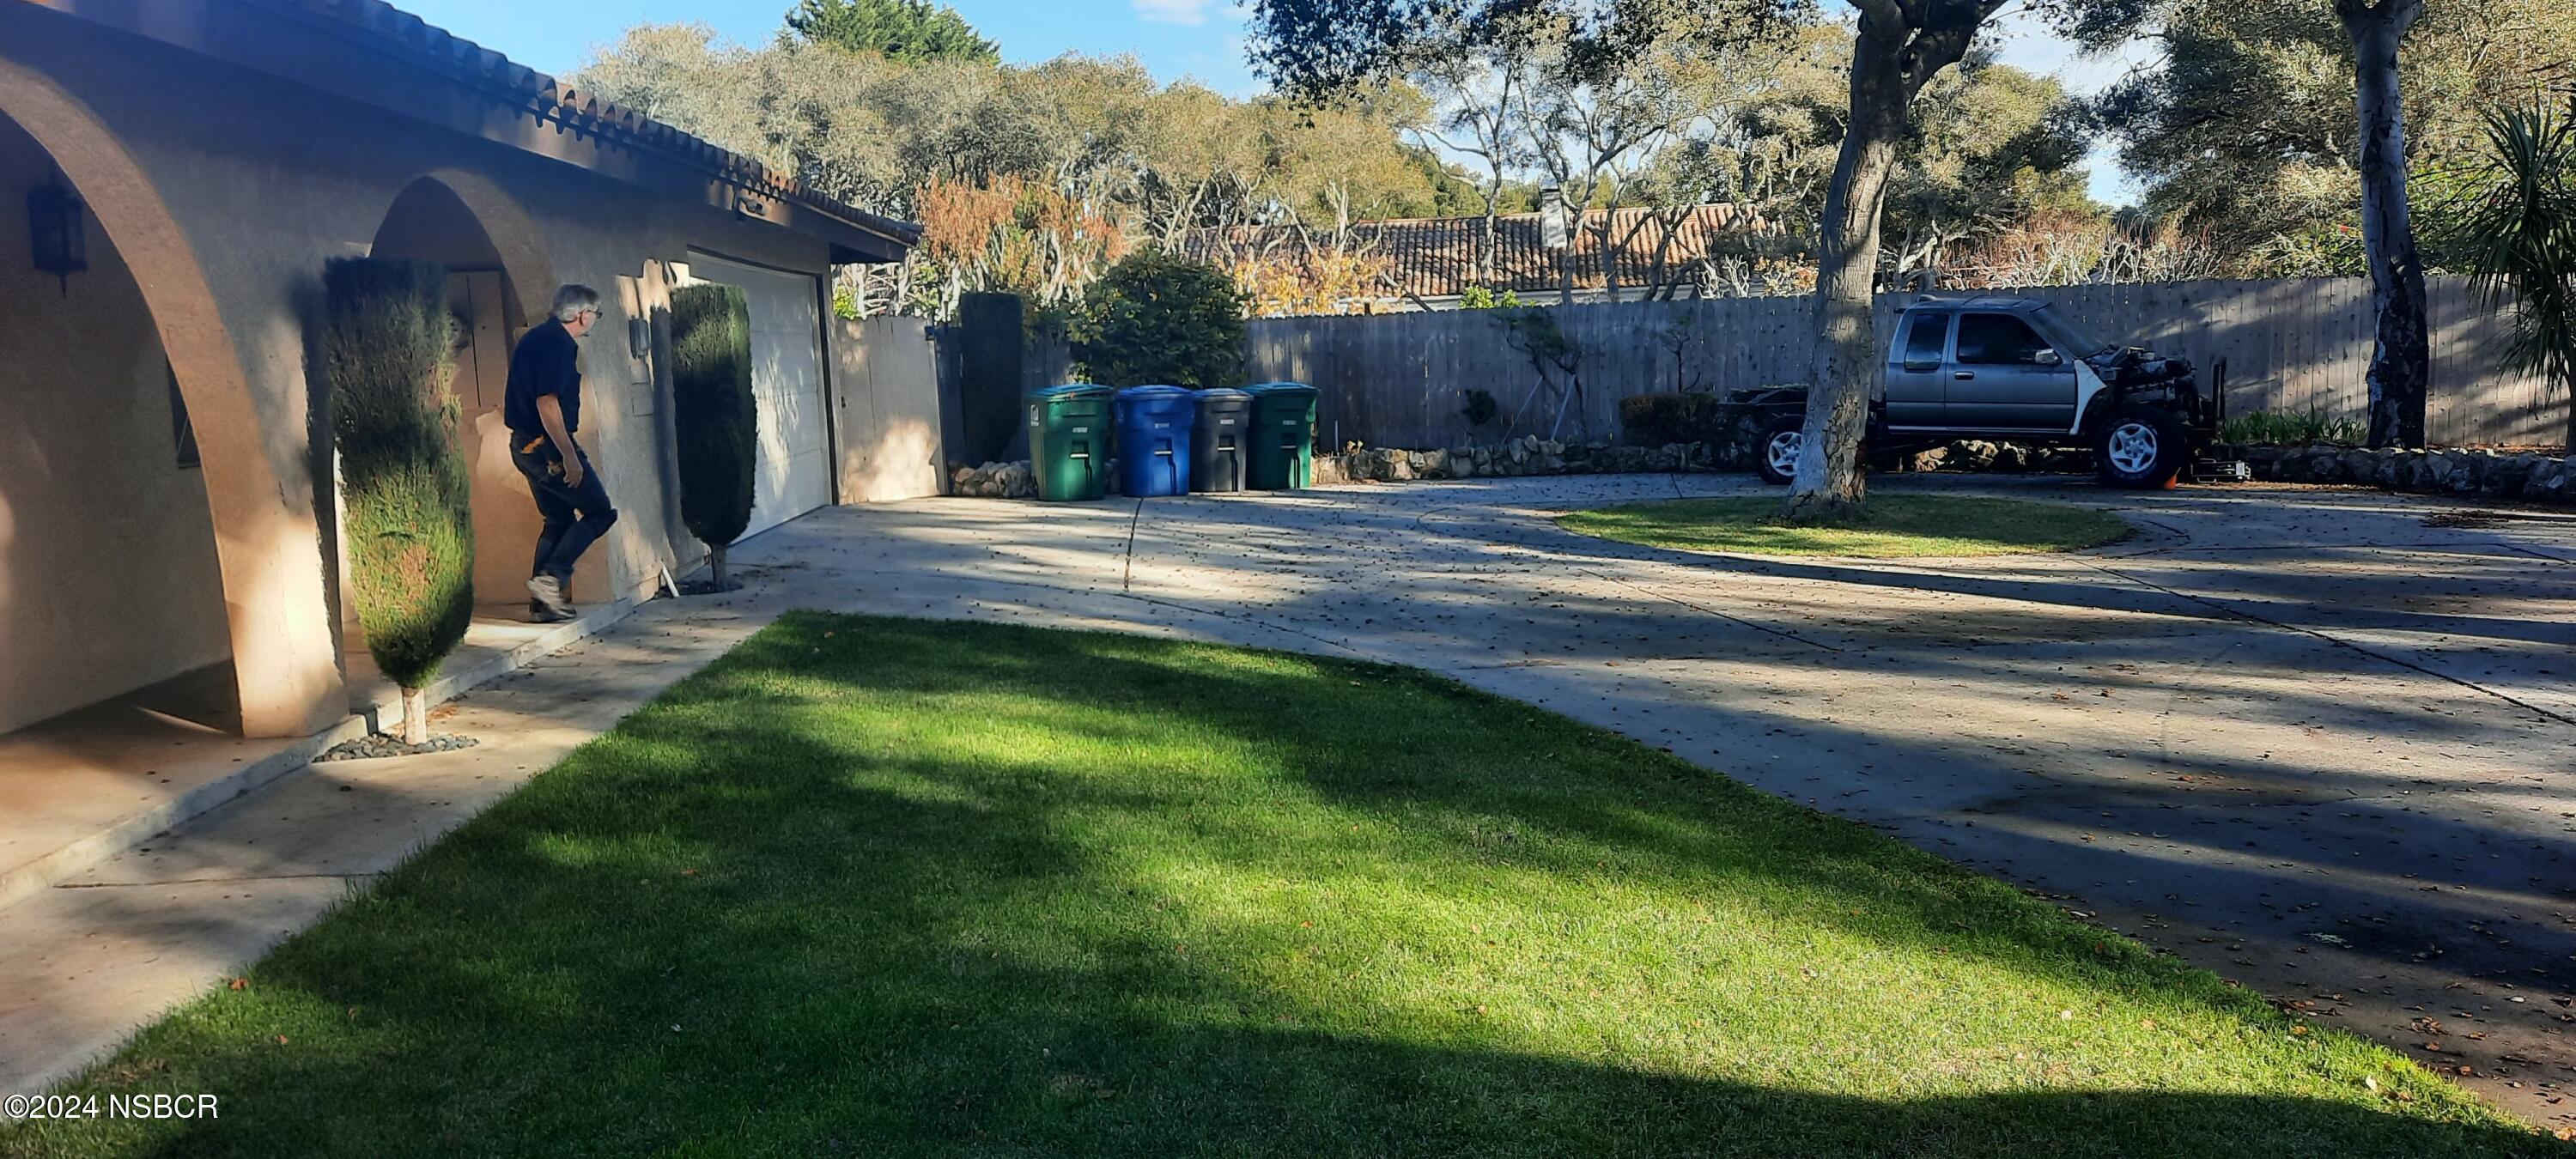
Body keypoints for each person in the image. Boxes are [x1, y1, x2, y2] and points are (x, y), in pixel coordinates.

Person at [504, 284, 618, 622]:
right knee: (600, 512)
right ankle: (551, 578)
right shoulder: (558, 344)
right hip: (547, 448)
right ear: (583, 315)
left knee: (558, 519)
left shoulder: (537, 338)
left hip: (525, 444)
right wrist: (568, 455)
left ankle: (543, 606)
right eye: (596, 314)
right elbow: (547, 401)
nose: (595, 320)